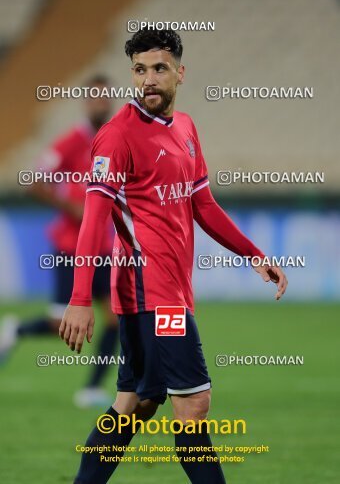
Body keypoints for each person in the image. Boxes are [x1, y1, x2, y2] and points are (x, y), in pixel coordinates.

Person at [59, 30, 288, 483]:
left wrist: (253, 254)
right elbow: (92, 221)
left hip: (168, 290)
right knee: (194, 406)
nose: (148, 80)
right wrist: (81, 298)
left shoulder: (184, 129)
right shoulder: (116, 137)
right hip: (152, 294)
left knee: (136, 404)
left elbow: (203, 204)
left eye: (159, 68)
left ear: (179, 74)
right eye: (140, 70)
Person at [0, 74, 119, 408]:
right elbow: (35, 182)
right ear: (86, 103)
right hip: (71, 246)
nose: (100, 104)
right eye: (94, 99)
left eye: (104, 98)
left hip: (105, 247)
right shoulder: (70, 143)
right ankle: (17, 331)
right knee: (62, 325)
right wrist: (71, 207)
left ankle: (93, 388)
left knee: (114, 317)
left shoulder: (113, 140)